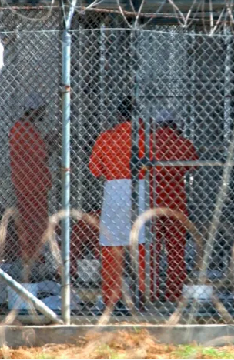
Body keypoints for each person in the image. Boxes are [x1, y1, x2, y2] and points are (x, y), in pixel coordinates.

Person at [89, 97, 148, 311]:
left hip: (114, 190)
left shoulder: (106, 137)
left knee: (111, 244)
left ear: (118, 115)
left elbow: (95, 169)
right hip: (139, 188)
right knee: (139, 243)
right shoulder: (145, 137)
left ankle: (110, 298)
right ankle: (140, 296)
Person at [149, 110, 198, 301]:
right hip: (176, 196)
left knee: (152, 246)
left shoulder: (149, 141)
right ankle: (174, 292)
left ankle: (150, 291)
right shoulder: (183, 143)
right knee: (176, 247)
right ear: (175, 125)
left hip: (153, 195)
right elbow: (192, 165)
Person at [9, 93, 59, 281]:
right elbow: (42, 153)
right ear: (34, 110)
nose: (43, 114)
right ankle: (34, 263)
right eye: (41, 110)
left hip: (30, 186)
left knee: (34, 225)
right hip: (32, 187)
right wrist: (54, 140)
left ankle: (34, 261)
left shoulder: (24, 129)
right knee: (35, 226)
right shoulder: (24, 130)